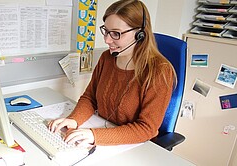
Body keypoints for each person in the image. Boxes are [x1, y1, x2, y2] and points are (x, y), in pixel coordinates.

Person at [49, 0, 176, 146]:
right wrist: (74, 119)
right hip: (102, 129)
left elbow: (147, 128)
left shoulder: (159, 71)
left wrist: (94, 135)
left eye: (116, 33)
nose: (107, 40)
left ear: (140, 34)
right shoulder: (106, 58)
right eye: (106, 31)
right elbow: (90, 98)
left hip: (135, 146)